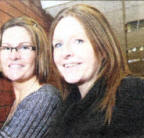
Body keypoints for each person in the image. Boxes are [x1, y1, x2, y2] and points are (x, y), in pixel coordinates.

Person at [44, 4, 144, 137]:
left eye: (78, 41)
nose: (65, 52)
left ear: (102, 48)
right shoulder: (68, 106)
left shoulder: (130, 92)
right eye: (58, 44)